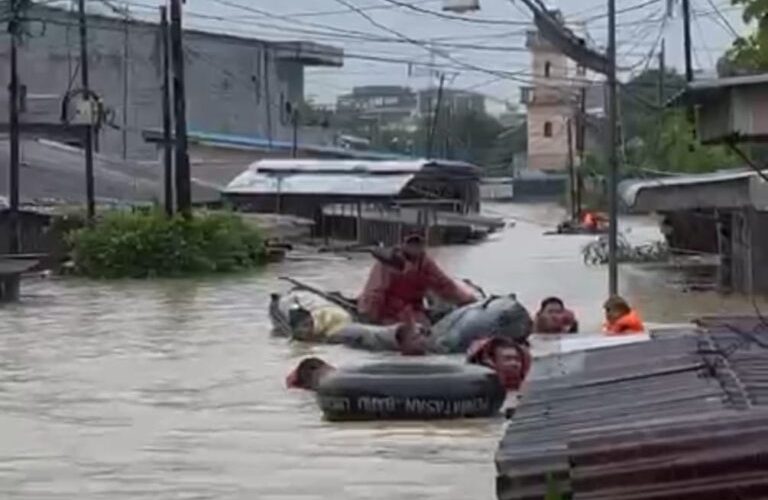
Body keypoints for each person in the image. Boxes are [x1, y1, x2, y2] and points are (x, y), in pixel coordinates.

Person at [357, 233, 476, 326]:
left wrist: (469, 300)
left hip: (413, 309)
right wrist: (370, 316)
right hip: (388, 312)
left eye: (418, 243)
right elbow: (375, 291)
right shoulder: (388, 263)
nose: (415, 247)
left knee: (423, 325)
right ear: (403, 244)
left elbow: (444, 284)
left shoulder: (426, 263)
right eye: (411, 243)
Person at [466, 336, 532, 391]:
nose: (514, 364)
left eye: (517, 359)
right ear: (489, 364)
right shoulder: (477, 396)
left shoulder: (528, 392)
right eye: (508, 359)